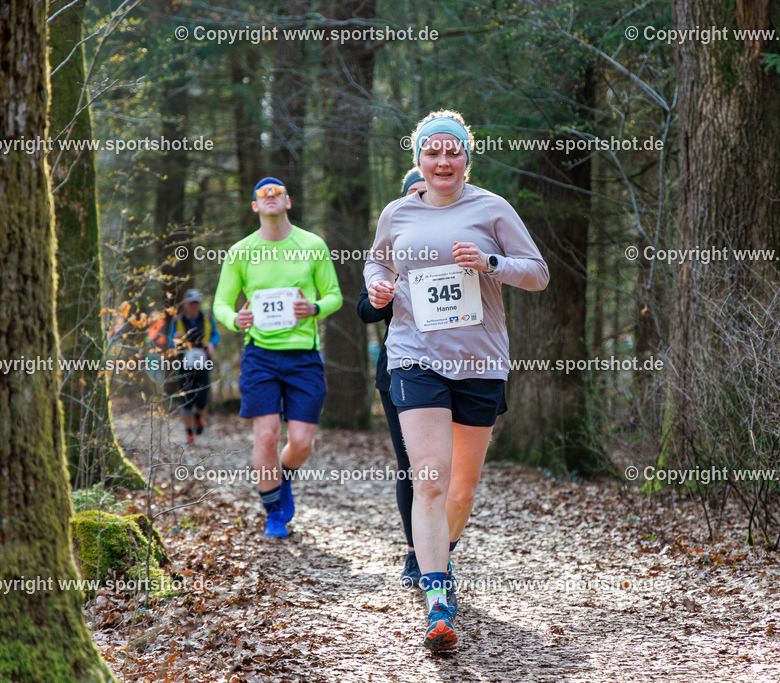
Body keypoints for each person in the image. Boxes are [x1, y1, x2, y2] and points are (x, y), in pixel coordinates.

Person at [364, 111, 549, 651]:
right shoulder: (397, 213)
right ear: (418, 159)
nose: (442, 161)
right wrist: (379, 289)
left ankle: (441, 554)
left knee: (462, 489)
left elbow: (537, 272)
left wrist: (492, 261)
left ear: (467, 158)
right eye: (432, 152)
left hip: (479, 363)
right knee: (430, 479)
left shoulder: (492, 209)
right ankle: (437, 601)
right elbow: (376, 266)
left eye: (453, 152)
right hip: (414, 357)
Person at [214, 177, 343, 538]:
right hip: (261, 355)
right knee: (267, 436)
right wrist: (234, 318)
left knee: (301, 443)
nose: (270, 197)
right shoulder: (241, 252)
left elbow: (334, 295)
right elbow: (221, 303)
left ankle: (281, 477)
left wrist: (313, 307)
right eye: (263, 194)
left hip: (303, 356)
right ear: (254, 206)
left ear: (289, 201)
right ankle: (273, 511)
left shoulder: (312, 245)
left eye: (277, 193)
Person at [357, 169, 427, 589]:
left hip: (462, 369)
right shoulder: (391, 248)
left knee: (449, 472)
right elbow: (364, 309)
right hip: (400, 371)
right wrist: (385, 294)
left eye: (427, 192)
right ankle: (417, 554)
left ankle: (441, 545)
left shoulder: (458, 241)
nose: (422, 199)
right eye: (413, 194)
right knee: (412, 467)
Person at [167, 289, 219, 446]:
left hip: (204, 364)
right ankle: (189, 436)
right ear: (185, 303)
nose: (194, 306)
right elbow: (169, 342)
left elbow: (215, 335)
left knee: (202, 399)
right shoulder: (178, 321)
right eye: (191, 303)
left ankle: (198, 416)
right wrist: (175, 342)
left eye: (197, 302)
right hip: (184, 365)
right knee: (186, 401)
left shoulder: (208, 319)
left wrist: (212, 344)